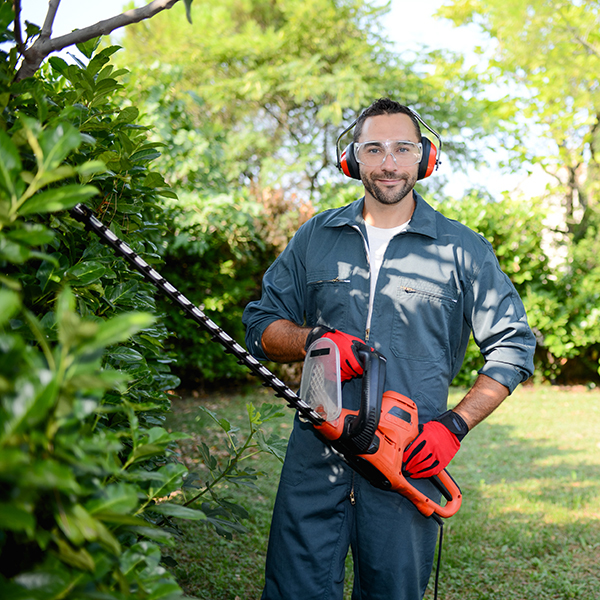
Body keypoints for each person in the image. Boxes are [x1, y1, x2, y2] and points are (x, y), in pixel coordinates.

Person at [242, 98, 536, 600]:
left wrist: (454, 425)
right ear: (352, 159)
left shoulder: (462, 250)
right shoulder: (317, 236)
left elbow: (513, 347)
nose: (388, 162)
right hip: (317, 453)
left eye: (403, 148)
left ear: (425, 158)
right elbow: (260, 327)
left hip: (406, 459)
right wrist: (315, 340)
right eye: (373, 148)